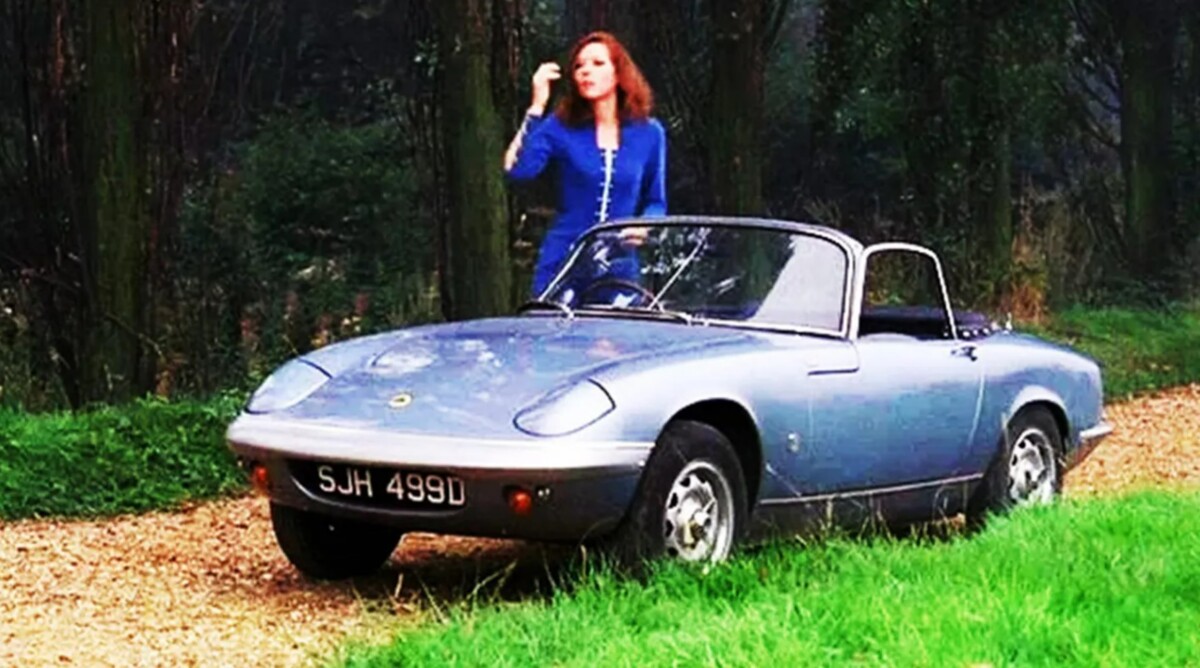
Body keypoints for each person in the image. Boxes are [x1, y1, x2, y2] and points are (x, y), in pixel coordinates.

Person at [503, 31, 667, 298]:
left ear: (619, 73)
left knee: (616, 325)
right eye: (579, 66)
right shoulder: (560, 127)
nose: (586, 71)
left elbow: (656, 202)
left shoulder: (649, 133)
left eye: (597, 63)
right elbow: (519, 170)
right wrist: (536, 106)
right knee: (554, 324)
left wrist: (643, 226)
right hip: (562, 262)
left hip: (619, 268)